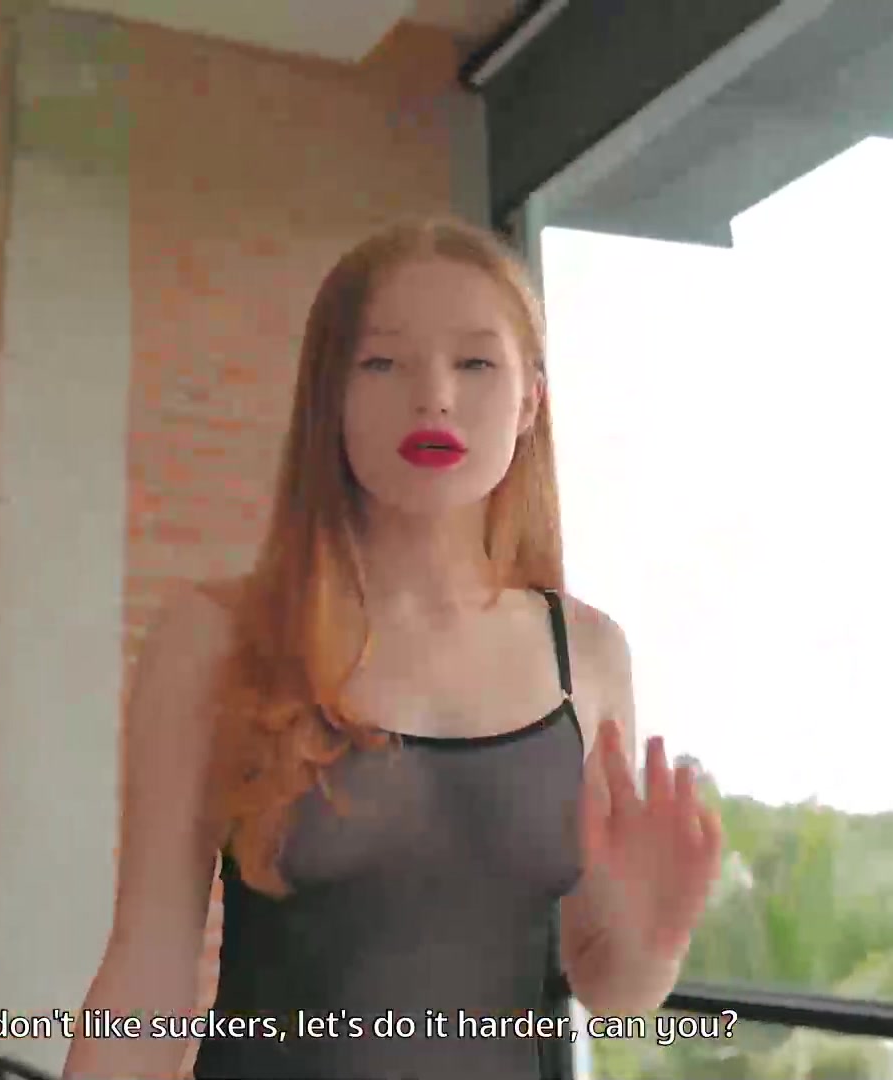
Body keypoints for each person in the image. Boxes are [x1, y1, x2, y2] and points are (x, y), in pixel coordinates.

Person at [62, 217, 724, 1080]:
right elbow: (147, 971)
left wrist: (657, 939)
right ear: (329, 397)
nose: (433, 396)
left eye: (475, 363)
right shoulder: (213, 637)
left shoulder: (589, 655)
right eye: (382, 363)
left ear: (530, 401)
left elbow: (611, 991)